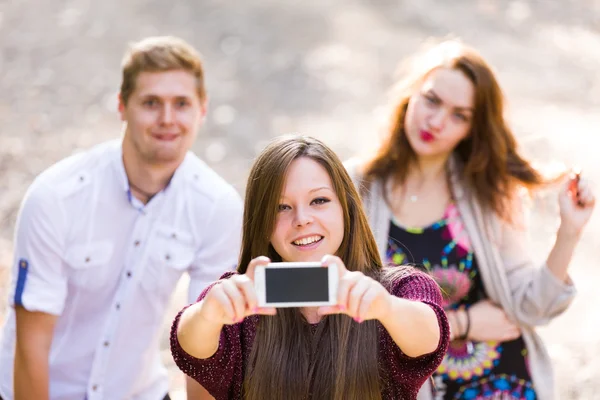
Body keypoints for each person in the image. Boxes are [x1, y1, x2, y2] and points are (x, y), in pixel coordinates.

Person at [345, 40, 596, 400]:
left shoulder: (487, 191)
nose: (436, 121)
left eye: (458, 115)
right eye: (431, 100)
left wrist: (569, 233)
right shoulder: (356, 184)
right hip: (405, 382)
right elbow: (345, 312)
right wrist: (463, 324)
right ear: (409, 95)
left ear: (472, 128)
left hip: (498, 381)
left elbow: (528, 308)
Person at [0, 36, 243, 400]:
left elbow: (206, 349)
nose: (167, 119)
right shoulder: (56, 197)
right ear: (121, 106)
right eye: (150, 103)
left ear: (202, 111)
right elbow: (30, 346)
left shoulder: (217, 206)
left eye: (181, 104)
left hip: (136, 392)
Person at [170, 135, 450, 400]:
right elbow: (189, 346)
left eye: (319, 200)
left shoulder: (399, 289)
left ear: (347, 207)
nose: (302, 219)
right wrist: (207, 315)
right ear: (261, 222)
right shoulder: (240, 300)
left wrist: (385, 308)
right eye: (281, 207)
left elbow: (429, 339)